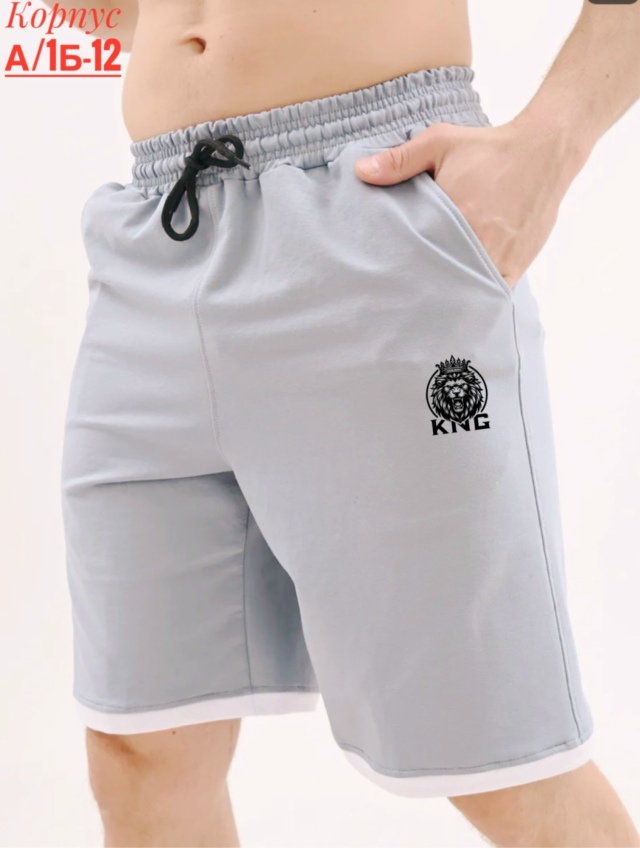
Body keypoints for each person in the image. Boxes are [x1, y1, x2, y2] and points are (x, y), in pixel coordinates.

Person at [54, 0, 640, 845]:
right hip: (157, 228)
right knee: (139, 746)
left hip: (373, 209)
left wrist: (555, 138)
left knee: (508, 767)